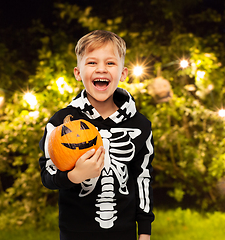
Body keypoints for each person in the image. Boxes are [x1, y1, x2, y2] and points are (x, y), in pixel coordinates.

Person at [39, 30, 155, 240]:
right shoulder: (61, 123)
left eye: (110, 63)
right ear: (77, 72)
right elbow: (47, 176)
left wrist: (144, 232)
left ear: (123, 74)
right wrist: (75, 176)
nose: (101, 69)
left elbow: (142, 179)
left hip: (124, 234)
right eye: (92, 63)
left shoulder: (140, 125)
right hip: (74, 233)